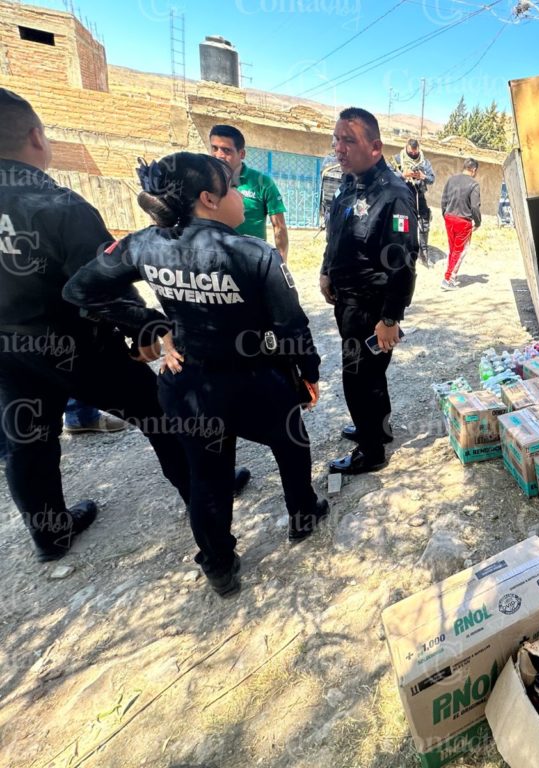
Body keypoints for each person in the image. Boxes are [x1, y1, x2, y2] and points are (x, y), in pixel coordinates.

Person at [64, 152, 327, 597]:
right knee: (291, 442)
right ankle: (303, 515)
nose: (241, 195)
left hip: (188, 384)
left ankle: (219, 566)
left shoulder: (144, 244)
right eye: (233, 186)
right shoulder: (255, 253)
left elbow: (80, 288)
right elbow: (290, 325)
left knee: (207, 477)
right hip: (255, 381)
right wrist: (309, 372)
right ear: (209, 198)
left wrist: (149, 324)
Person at [0, 88, 196, 562]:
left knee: (27, 440)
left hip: (8, 352)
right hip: (76, 346)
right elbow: (101, 281)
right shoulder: (58, 205)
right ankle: (206, 493)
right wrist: (145, 327)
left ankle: (50, 535)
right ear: (36, 137)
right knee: (159, 411)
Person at [320, 108, 417, 475]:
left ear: (375, 147)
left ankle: (370, 450)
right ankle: (377, 427)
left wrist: (390, 318)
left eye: (349, 140)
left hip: (371, 308)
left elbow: (403, 260)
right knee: (369, 376)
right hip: (346, 300)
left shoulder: (394, 195)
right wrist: (326, 270)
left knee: (358, 378)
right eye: (337, 139)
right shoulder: (348, 183)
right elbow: (336, 233)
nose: (339, 148)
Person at [209, 124, 290, 261]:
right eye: (214, 148)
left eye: (226, 150)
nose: (219, 155)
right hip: (214, 260)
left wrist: (282, 264)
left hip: (251, 262)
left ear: (242, 154)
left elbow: (279, 227)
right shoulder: (204, 181)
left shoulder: (262, 183)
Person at [440, 158, 482, 290]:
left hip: (449, 217)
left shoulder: (451, 180)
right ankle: (448, 279)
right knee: (460, 251)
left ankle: (450, 274)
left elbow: (444, 199)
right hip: (463, 221)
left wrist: (445, 214)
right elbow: (474, 207)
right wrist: (478, 222)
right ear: (474, 170)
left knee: (452, 249)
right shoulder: (474, 185)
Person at [392, 138, 434, 252]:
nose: (413, 155)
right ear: (406, 148)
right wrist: (403, 175)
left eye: (415, 153)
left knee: (424, 221)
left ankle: (423, 250)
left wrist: (422, 176)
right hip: (402, 197)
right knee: (401, 223)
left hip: (418, 196)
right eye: (411, 153)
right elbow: (387, 175)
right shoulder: (397, 159)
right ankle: (400, 248)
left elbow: (432, 179)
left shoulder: (424, 162)